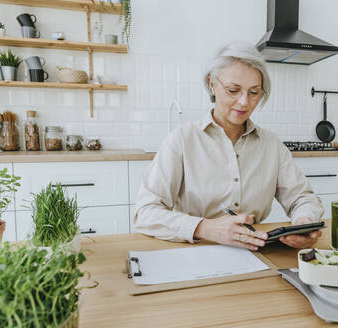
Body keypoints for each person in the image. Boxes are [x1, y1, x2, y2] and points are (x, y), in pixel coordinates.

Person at [134, 41, 324, 250]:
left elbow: (303, 198)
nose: (244, 102)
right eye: (233, 90)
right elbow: (145, 213)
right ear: (212, 84)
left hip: (257, 254)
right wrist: (205, 228)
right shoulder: (181, 139)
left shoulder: (271, 146)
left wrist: (304, 223)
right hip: (195, 252)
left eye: (254, 92)